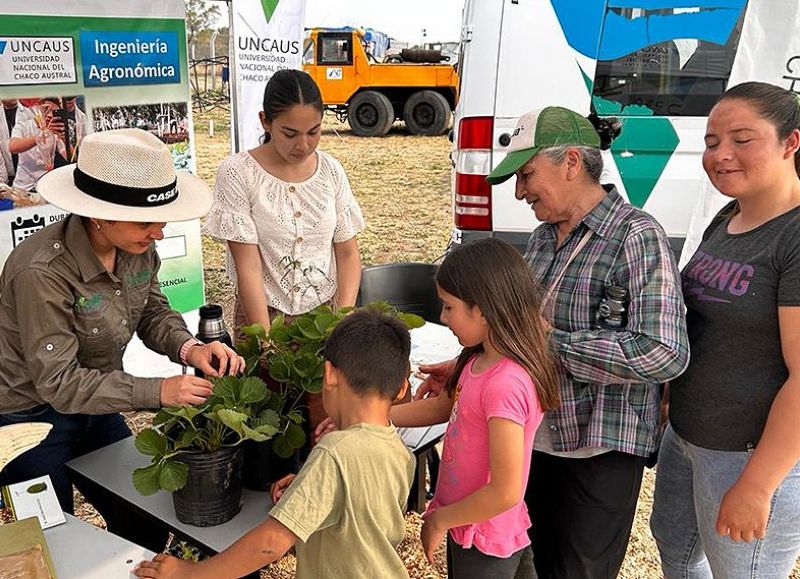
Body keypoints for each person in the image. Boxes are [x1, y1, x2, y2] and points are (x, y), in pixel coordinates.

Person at [418, 106, 689, 578]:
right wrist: (467, 364)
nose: (520, 192)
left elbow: (664, 352)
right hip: (534, 441)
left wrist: (554, 345)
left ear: (570, 162)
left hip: (595, 451)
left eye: (526, 175)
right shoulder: (543, 239)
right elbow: (510, 327)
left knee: (576, 570)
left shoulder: (636, 237)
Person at [0, 128, 245, 550]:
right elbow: (57, 382)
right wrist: (159, 391)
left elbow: (151, 311)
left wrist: (191, 348)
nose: (159, 233)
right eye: (146, 222)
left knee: (143, 521)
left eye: (161, 219)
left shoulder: (136, 246)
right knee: (49, 543)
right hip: (27, 418)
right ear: (100, 214)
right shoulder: (40, 272)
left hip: (98, 401)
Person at [133, 309, 416, 579]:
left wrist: (191, 573)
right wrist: (310, 483)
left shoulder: (334, 452)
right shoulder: (401, 452)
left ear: (328, 375)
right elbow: (362, 505)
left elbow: (272, 542)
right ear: (402, 387)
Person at [650, 81, 800, 577]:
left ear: (790, 142)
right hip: (689, 438)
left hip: (749, 455)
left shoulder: (793, 236)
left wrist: (757, 486)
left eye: (742, 139)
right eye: (713, 142)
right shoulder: (727, 217)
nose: (721, 155)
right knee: (678, 555)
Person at [379, 238, 557, 578]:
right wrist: (374, 417)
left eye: (449, 307)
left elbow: (505, 491)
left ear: (483, 310)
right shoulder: (476, 359)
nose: (443, 317)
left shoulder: (505, 384)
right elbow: (442, 409)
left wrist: (439, 520)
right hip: (475, 524)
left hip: (483, 533)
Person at [203, 69, 364, 330]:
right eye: (290, 134)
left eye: (313, 132)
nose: (303, 144)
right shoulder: (239, 172)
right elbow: (248, 267)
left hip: (323, 316)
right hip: (262, 315)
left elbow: (347, 254)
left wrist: (341, 322)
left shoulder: (331, 170)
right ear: (265, 121)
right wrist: (265, 342)